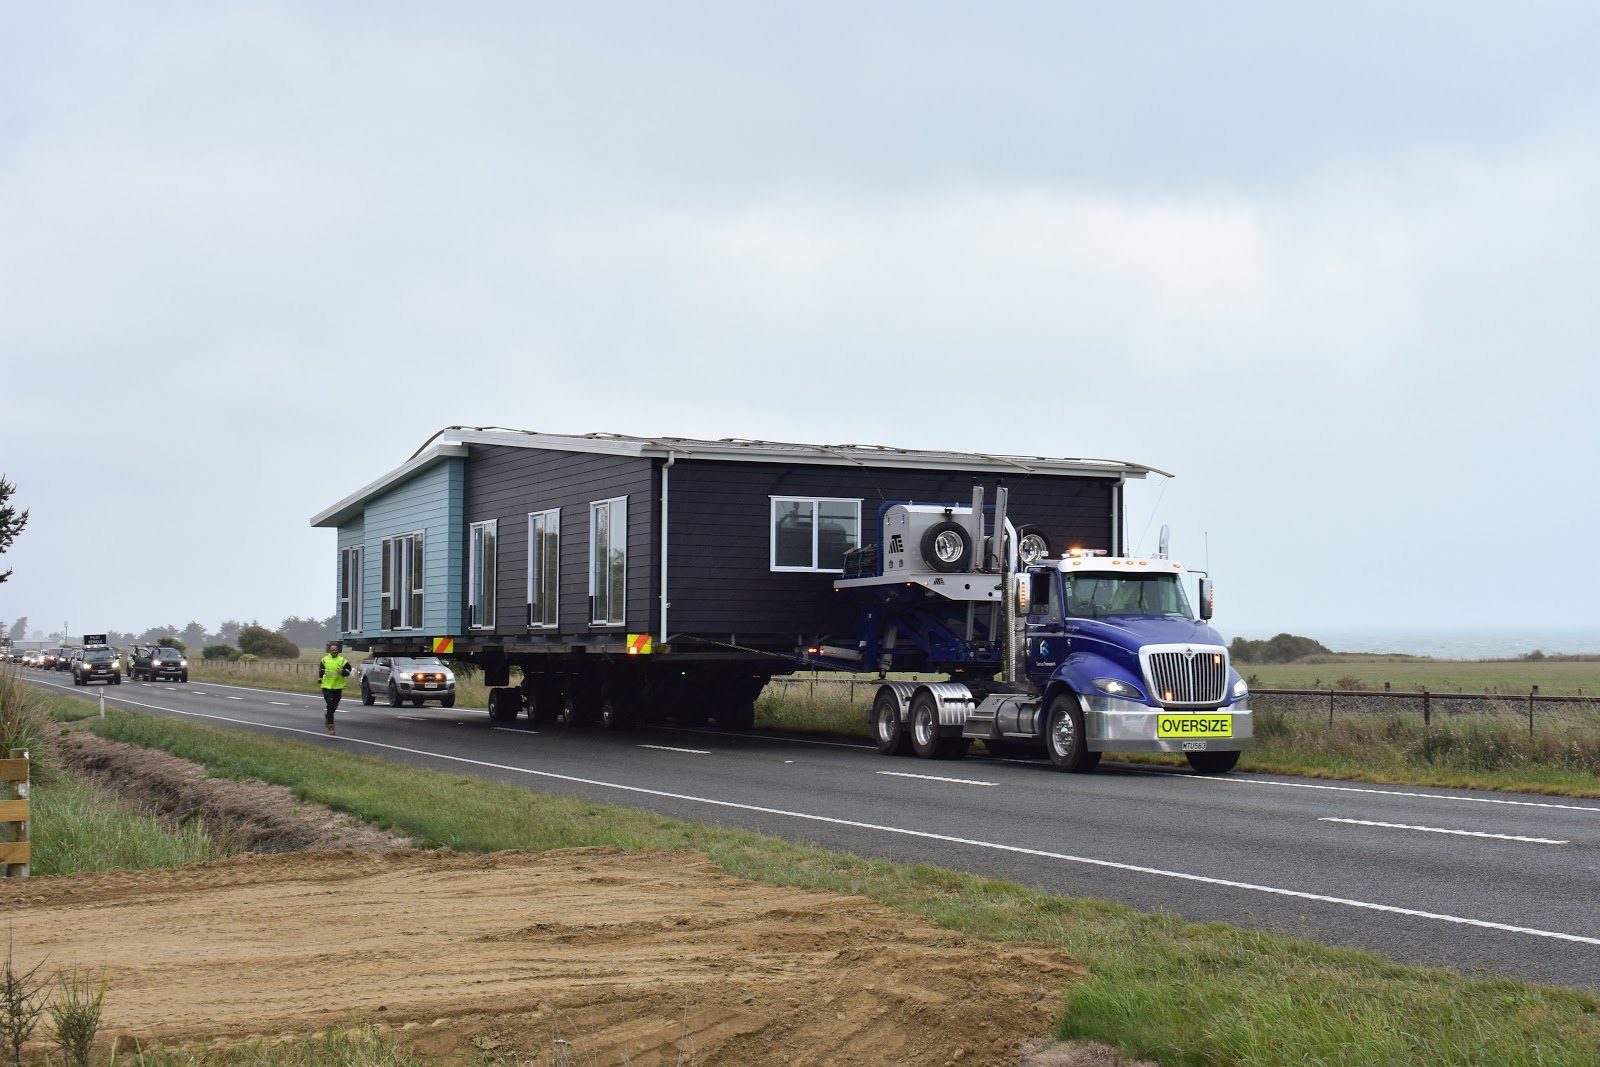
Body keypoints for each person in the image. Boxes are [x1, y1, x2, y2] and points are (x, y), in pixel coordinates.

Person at [318, 641, 353, 734]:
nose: (334, 651)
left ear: (338, 651)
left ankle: (328, 716)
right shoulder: (324, 659)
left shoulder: (342, 660)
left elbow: (349, 671)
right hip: (326, 686)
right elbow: (321, 670)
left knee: (334, 705)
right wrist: (320, 678)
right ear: (329, 650)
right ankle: (330, 725)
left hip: (338, 686)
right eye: (332, 650)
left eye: (335, 650)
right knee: (329, 704)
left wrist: (343, 672)